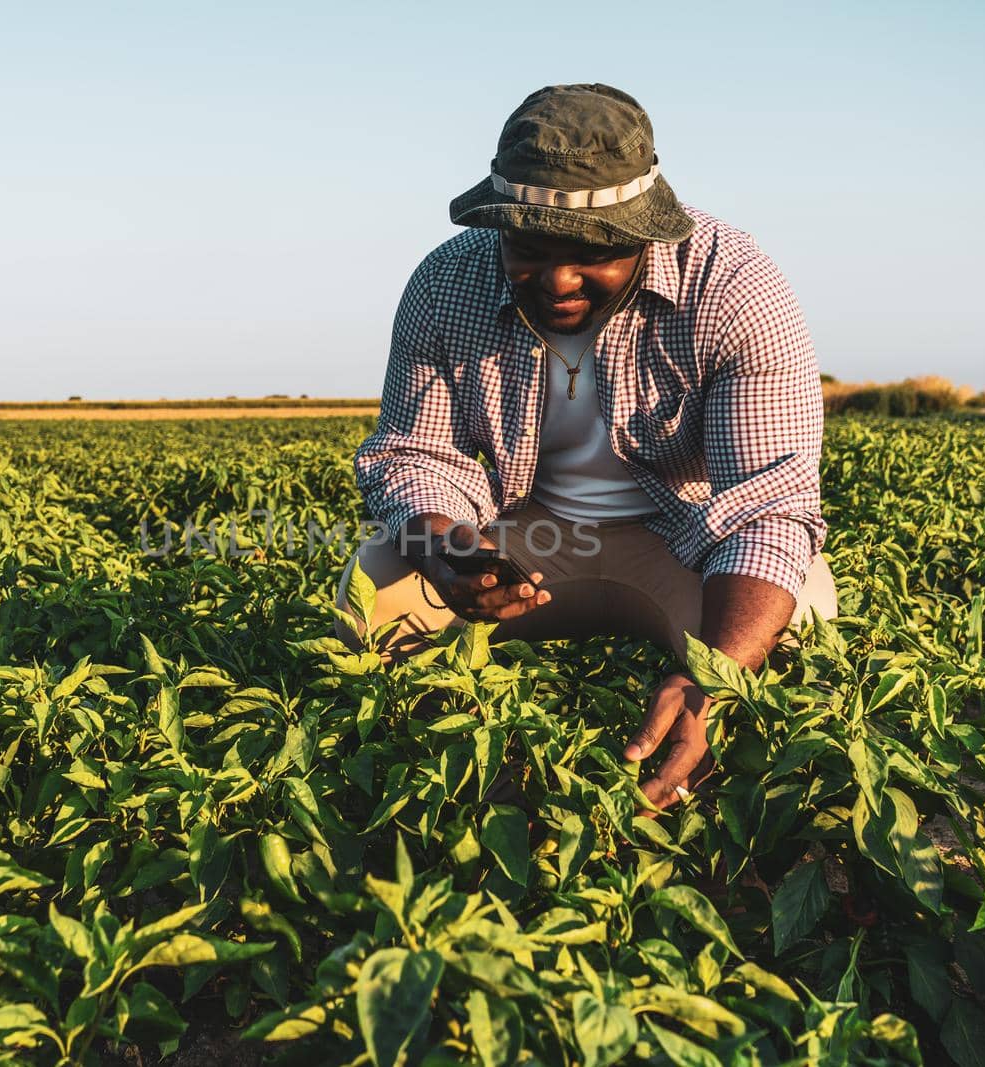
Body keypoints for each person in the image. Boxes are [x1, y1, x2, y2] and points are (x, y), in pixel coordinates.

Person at [333, 82, 836, 815]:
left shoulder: (733, 285)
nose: (559, 280)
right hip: (530, 533)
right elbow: (415, 454)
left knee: (796, 629)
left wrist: (717, 672)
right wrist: (446, 547)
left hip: (686, 538)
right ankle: (465, 789)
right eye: (529, 251)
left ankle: (708, 779)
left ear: (645, 231)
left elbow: (768, 504)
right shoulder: (445, 284)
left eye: (592, 254)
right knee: (373, 597)